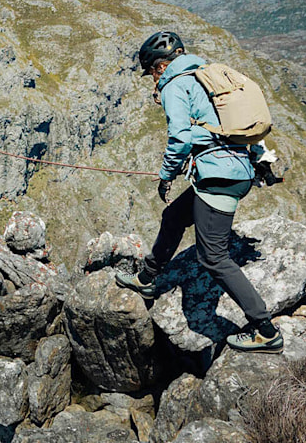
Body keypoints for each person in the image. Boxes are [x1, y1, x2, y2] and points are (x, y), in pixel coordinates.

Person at [115, 31, 283, 354]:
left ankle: (265, 329)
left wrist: (165, 177)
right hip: (234, 170)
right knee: (175, 216)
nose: (152, 78)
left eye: (151, 71)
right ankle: (147, 278)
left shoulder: (175, 85)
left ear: (161, 67)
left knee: (213, 258)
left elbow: (179, 138)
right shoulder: (205, 76)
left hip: (218, 178)